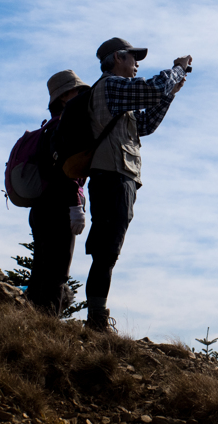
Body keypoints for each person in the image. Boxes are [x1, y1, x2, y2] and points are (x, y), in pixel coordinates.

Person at [84, 37, 190, 332]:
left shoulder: (116, 95)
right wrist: (177, 70)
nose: (137, 65)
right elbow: (152, 88)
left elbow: (146, 125)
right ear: (118, 57)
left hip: (118, 176)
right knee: (106, 251)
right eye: (133, 59)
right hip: (112, 176)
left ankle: (96, 317)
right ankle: (96, 320)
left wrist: (171, 93)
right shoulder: (110, 86)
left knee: (108, 250)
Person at [25, 69, 90, 316]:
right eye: (76, 90)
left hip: (41, 207)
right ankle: (47, 329)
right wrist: (75, 205)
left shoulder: (48, 127)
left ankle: (28, 323)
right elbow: (67, 168)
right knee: (57, 273)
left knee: (40, 268)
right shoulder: (65, 126)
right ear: (64, 96)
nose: (81, 94)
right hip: (59, 208)